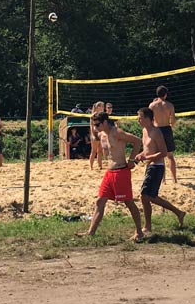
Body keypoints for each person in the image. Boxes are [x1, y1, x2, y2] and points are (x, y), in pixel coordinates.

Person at [80, 112, 145, 243]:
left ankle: (139, 232)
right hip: (109, 172)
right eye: (94, 125)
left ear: (105, 122)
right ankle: (90, 232)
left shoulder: (117, 132)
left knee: (129, 202)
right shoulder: (102, 133)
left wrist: (132, 160)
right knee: (99, 201)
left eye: (97, 124)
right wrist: (90, 120)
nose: (95, 127)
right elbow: (94, 134)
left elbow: (137, 141)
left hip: (121, 170)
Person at [135, 107, 186, 236]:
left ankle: (148, 226)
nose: (138, 120)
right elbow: (147, 150)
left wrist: (146, 157)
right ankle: (178, 213)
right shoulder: (144, 131)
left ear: (147, 118)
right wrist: (139, 156)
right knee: (148, 197)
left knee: (145, 196)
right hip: (150, 166)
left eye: (140, 117)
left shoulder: (156, 132)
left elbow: (163, 152)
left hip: (157, 166)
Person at [149, 85, 178, 184]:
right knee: (170, 156)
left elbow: (149, 120)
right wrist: (170, 126)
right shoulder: (169, 105)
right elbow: (173, 120)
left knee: (160, 156)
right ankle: (174, 179)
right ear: (165, 94)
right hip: (167, 128)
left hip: (157, 130)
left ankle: (163, 180)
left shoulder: (152, 105)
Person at [87, 100, 106, 171]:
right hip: (95, 134)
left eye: (103, 106)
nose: (103, 108)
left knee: (100, 150)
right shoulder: (93, 115)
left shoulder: (102, 115)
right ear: (98, 107)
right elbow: (91, 126)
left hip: (101, 133)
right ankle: (91, 167)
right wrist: (93, 135)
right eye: (102, 106)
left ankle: (100, 166)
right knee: (94, 151)